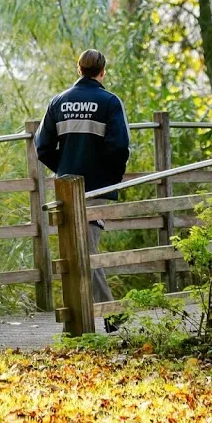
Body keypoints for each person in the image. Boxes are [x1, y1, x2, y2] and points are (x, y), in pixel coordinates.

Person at [35, 49, 130, 332]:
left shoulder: (58, 102)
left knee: (78, 250)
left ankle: (80, 319)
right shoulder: (110, 102)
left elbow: (42, 147)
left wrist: (64, 167)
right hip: (97, 187)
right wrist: (110, 178)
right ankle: (108, 313)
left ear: (79, 69)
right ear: (102, 71)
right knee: (86, 250)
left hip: (67, 188)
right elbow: (119, 147)